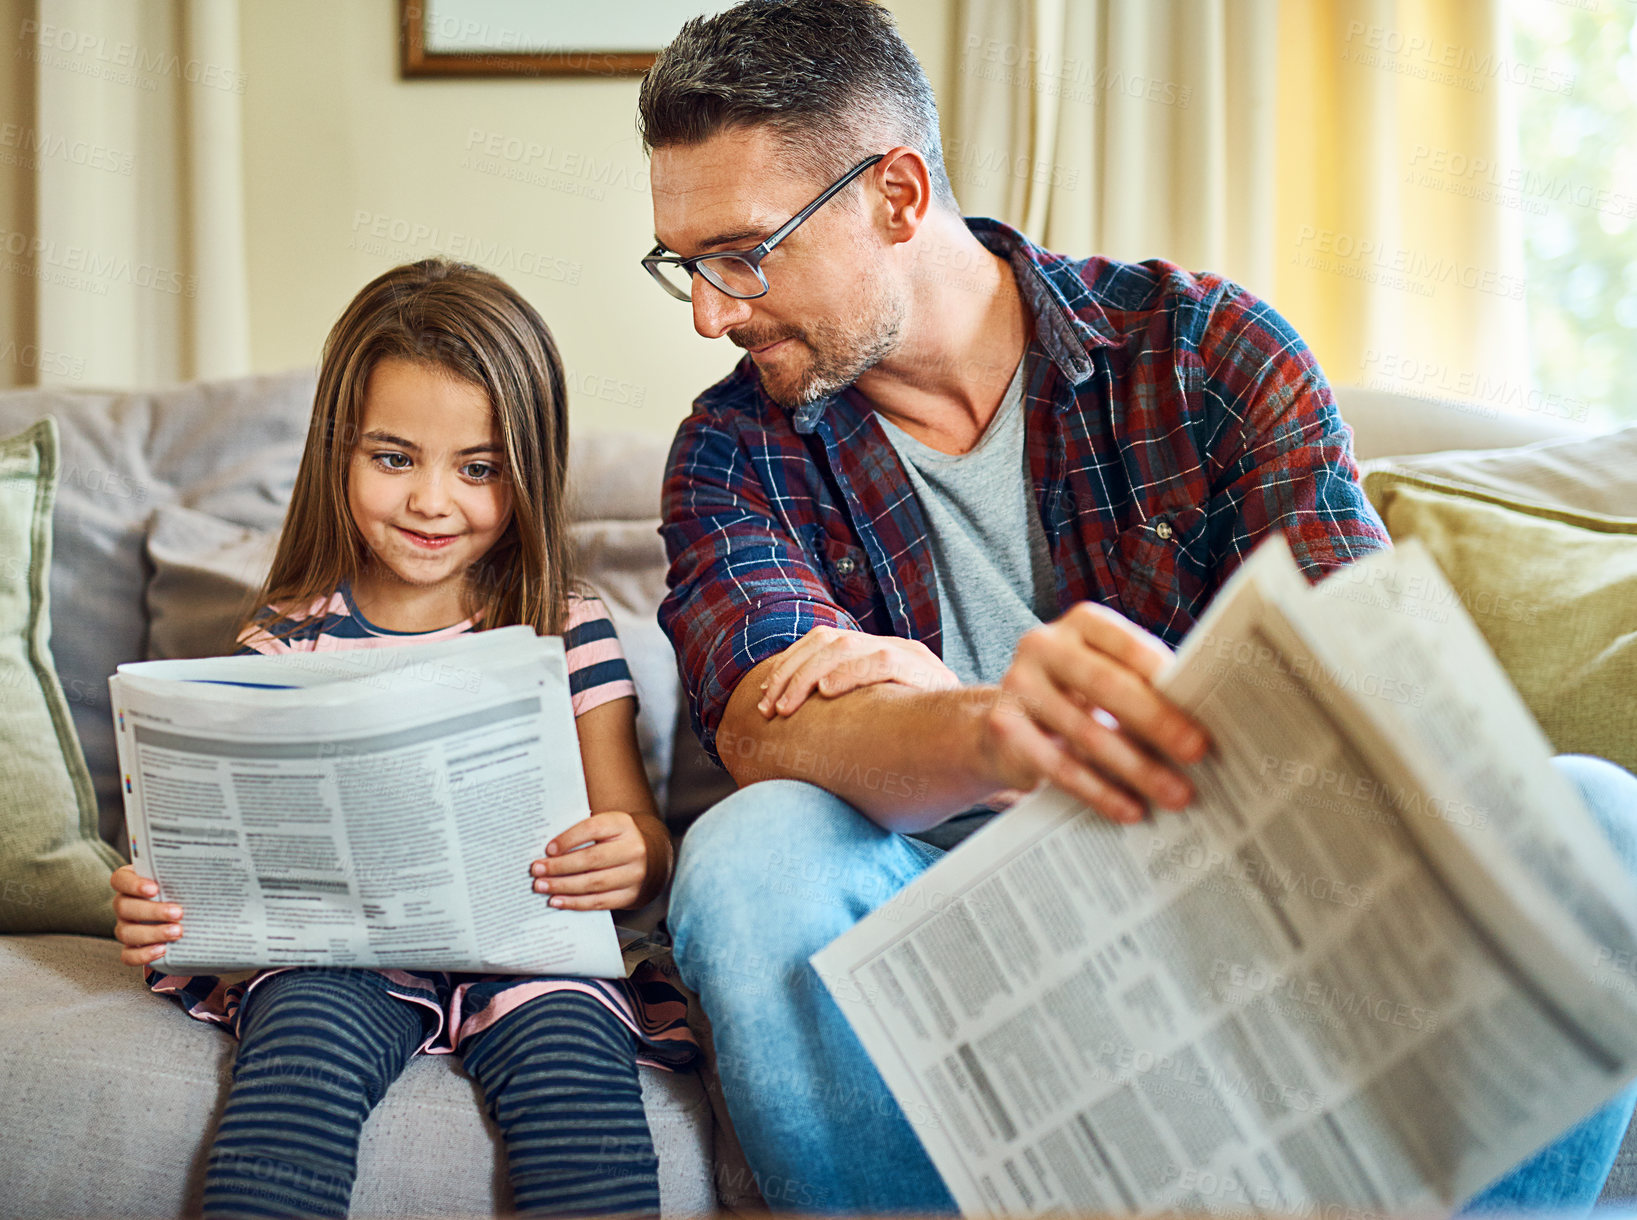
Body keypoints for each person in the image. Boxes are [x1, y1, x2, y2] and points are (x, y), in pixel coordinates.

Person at [636, 0, 1637, 1214]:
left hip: (1237, 888)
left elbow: (1362, 679)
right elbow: (763, 728)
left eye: (744, 253)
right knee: (749, 852)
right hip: (930, 937)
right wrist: (986, 728)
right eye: (685, 264)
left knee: (1600, 815)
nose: (709, 311)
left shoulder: (1204, 349)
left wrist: (954, 716)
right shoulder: (732, 447)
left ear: (895, 196)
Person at [109, 259, 697, 1220]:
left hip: (533, 952)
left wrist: (635, 854)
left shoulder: (565, 625)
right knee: (292, 1065)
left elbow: (634, 828)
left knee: (581, 1098)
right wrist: (162, 905)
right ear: (336, 452)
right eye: (393, 459)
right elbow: (223, 864)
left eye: (478, 469)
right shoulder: (283, 642)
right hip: (341, 956)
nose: (432, 501)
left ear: (528, 471)